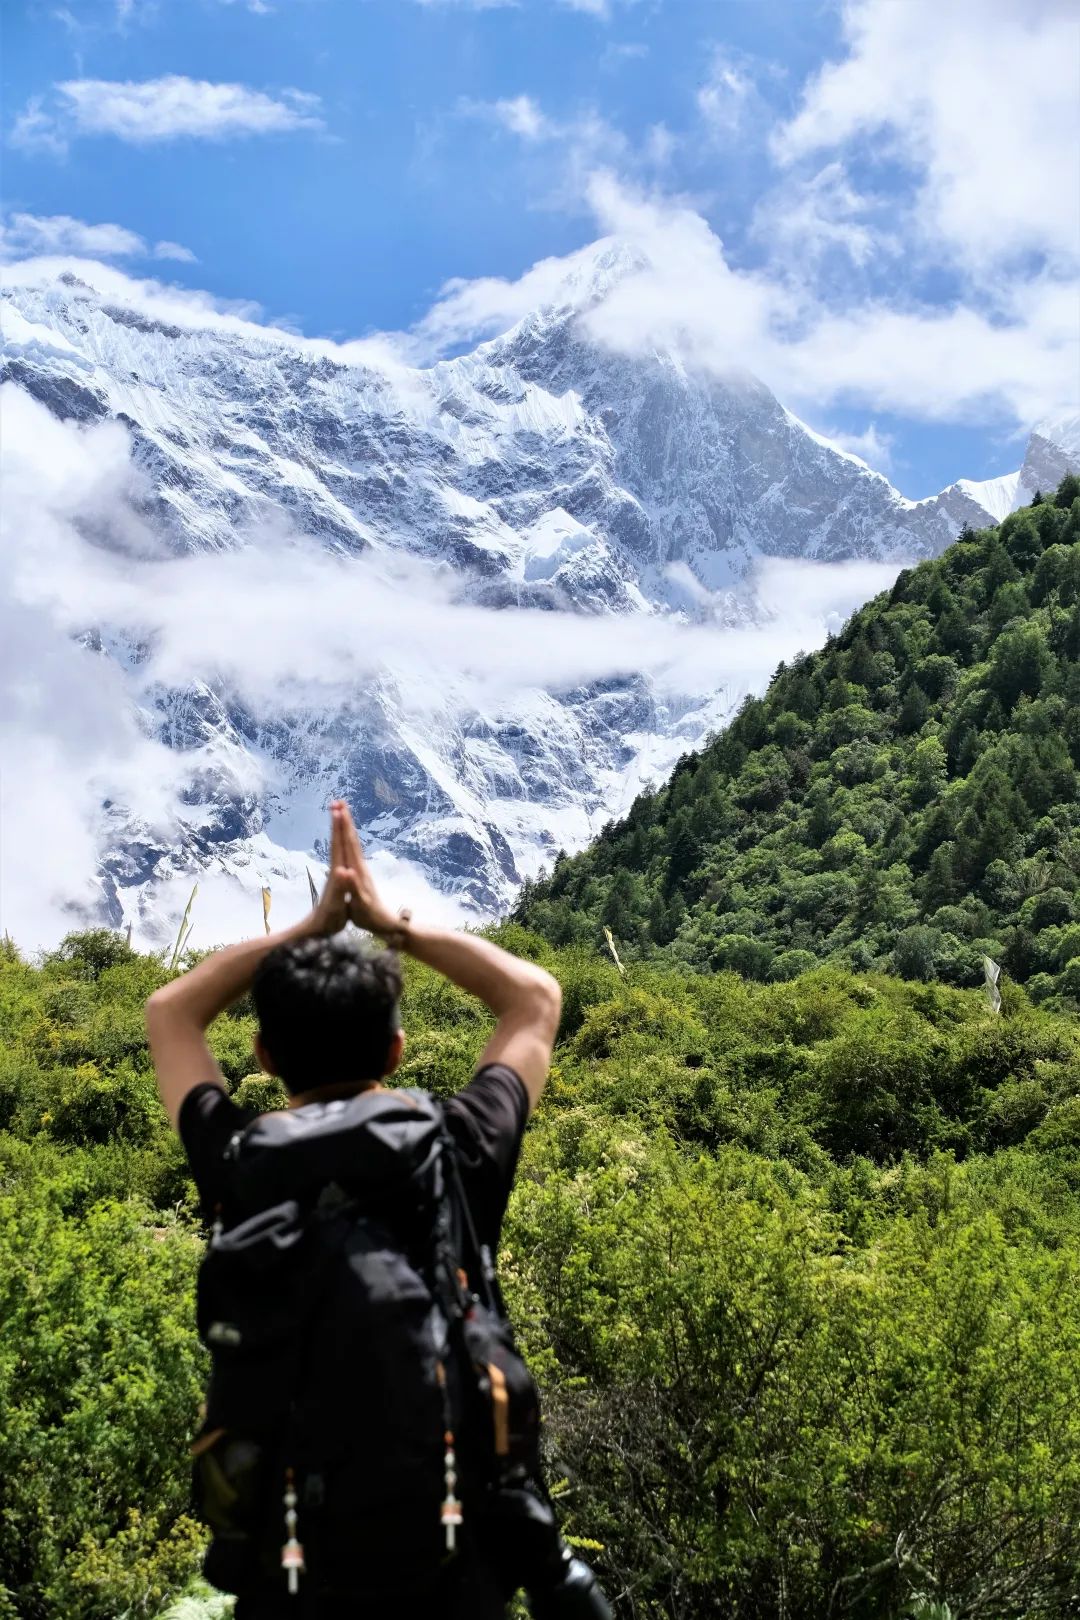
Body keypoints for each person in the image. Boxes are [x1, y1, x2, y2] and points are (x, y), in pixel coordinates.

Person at [145, 799, 564, 1618]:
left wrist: (302, 929)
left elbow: (170, 1012)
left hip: (290, 1566)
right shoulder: (458, 1144)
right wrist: (389, 926)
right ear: (397, 1051)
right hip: (457, 1561)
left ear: (263, 1057)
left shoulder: (241, 1163)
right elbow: (534, 1000)